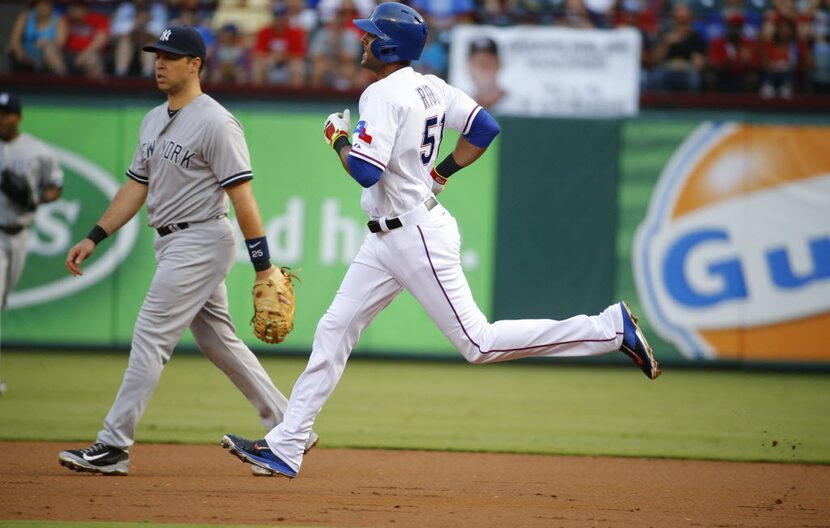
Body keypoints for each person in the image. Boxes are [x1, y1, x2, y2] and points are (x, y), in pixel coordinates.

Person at [220, 2, 661, 479]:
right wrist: (440, 173)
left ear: (388, 45)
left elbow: (366, 172)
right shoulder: (430, 85)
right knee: (334, 330)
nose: (362, 40)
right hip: (387, 238)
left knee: (479, 343)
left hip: (414, 234)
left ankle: (609, 328)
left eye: (370, 36)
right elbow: (484, 128)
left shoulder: (382, 95)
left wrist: (338, 139)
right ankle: (287, 446)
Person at [57, 25, 317, 476]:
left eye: (170, 56)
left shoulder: (217, 122)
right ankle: (288, 424)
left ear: (194, 64)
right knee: (219, 342)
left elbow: (243, 198)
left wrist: (263, 266)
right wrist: (94, 236)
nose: (159, 62)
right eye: (157, 54)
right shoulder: (153, 119)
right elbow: (136, 187)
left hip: (201, 239)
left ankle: (113, 445)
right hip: (172, 240)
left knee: (150, 335)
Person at [0, 92, 64, 396]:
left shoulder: (37, 151)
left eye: (6, 113)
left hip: (20, 233)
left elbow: (55, 186)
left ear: (18, 117)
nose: (2, 119)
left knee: (2, 300)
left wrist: (36, 199)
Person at [7, 0, 68, 76]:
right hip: (27, 55)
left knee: (49, 49)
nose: (43, 7)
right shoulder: (25, 17)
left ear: (51, 6)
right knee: (10, 49)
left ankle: (62, 78)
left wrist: (45, 43)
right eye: (40, 4)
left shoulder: (59, 20)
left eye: (46, 5)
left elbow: (60, 43)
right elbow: (14, 41)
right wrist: (21, 54)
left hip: (47, 56)